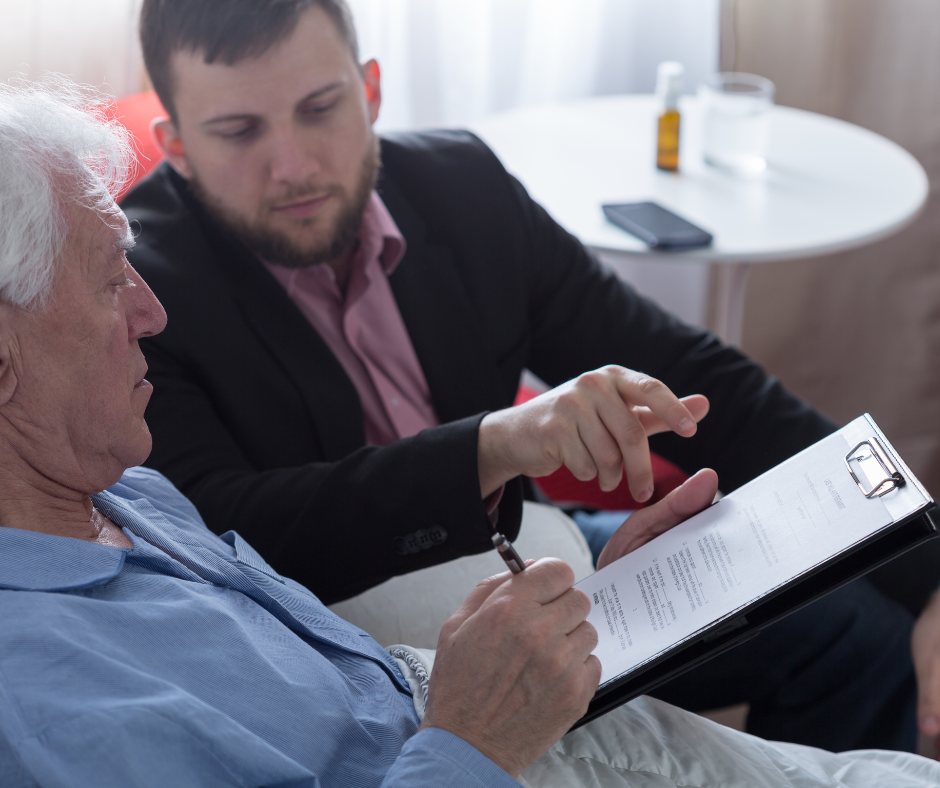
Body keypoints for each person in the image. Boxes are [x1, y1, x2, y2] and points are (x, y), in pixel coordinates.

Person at [1, 75, 938, 788]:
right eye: (241, 130)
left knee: (856, 629)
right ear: (180, 144)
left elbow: (687, 372)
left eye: (322, 106)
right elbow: (274, 524)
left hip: (510, 627)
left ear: (370, 89)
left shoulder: (119, 489)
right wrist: (476, 731)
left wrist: (610, 616)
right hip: (468, 678)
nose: (292, 162)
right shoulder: (53, 696)